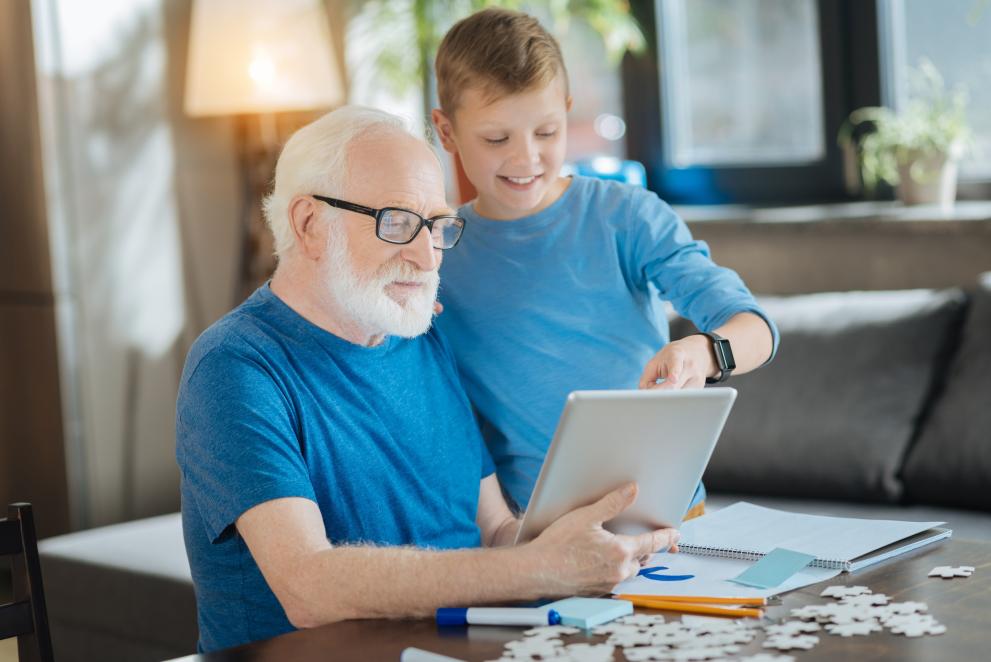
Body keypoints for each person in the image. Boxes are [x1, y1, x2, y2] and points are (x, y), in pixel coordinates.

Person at [175, 106, 679, 653]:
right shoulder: (236, 367)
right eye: (396, 222)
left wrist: (576, 544)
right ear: (309, 224)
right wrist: (538, 569)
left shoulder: (418, 337)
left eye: (438, 226)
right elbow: (307, 586)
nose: (425, 255)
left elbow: (493, 531)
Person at [431, 8, 779, 515]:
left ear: (567, 111)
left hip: (668, 516)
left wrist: (703, 354)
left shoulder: (627, 216)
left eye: (546, 132)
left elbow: (758, 329)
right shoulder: (439, 253)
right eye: (496, 138)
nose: (526, 158)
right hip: (535, 534)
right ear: (446, 132)